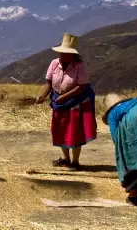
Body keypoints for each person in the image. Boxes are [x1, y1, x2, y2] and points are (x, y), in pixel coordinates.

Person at [36, 33, 97, 171]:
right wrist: (42, 95)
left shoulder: (78, 66)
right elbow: (49, 82)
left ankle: (75, 162)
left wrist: (65, 97)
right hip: (58, 100)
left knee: (74, 132)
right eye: (62, 52)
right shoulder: (54, 63)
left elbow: (81, 86)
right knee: (60, 129)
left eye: (67, 53)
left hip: (75, 102)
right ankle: (65, 158)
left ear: (73, 55)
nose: (64, 55)